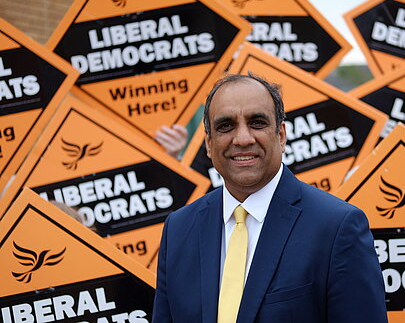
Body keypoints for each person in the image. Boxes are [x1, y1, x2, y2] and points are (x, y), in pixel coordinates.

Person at [152, 73, 387, 322]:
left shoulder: (337, 227)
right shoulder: (178, 229)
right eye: (226, 126)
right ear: (209, 144)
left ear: (282, 135)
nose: (243, 139)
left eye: (257, 123)